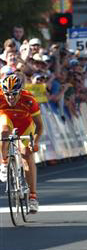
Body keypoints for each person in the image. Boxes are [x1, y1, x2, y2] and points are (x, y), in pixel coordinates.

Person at [0, 74, 44, 213]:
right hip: (7, 120)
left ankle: (32, 197)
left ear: (20, 91)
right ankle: (4, 162)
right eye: (7, 94)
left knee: (26, 153)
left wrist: (35, 142)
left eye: (14, 94)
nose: (10, 97)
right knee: (4, 132)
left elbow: (39, 125)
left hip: (26, 125)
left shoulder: (29, 99)